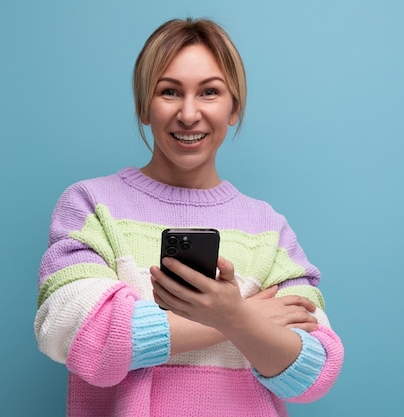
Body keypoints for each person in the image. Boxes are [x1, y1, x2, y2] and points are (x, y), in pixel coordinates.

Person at [34, 17, 344, 417]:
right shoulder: (90, 205)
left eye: (210, 92)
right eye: (169, 92)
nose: (189, 113)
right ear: (145, 105)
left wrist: (233, 319)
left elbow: (315, 371)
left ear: (235, 108)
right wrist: (235, 319)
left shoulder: (269, 230)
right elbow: (81, 336)